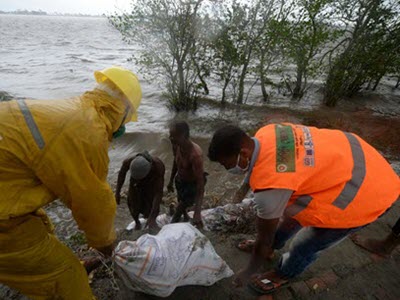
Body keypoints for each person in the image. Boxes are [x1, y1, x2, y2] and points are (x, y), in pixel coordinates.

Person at [0, 66, 142, 299]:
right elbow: (92, 204)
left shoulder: (74, 108)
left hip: (7, 186)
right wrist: (106, 246)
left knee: (45, 227)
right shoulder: (90, 132)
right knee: (69, 276)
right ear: (123, 110)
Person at [208, 123, 399, 294]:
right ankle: (273, 247)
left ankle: (284, 274)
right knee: (291, 215)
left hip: (367, 195)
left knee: (305, 244)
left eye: (227, 164)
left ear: (243, 154)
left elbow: (263, 237)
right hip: (361, 158)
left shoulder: (270, 189)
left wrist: (248, 270)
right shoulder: (269, 131)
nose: (227, 170)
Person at [167, 121, 206, 228]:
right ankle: (184, 217)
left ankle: (172, 224)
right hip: (180, 179)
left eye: (173, 136)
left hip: (192, 183)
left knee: (182, 205)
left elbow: (200, 183)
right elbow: (176, 162)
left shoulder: (195, 155)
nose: (170, 138)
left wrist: (197, 212)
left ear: (183, 136)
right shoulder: (176, 145)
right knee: (180, 200)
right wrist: (170, 181)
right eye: (170, 135)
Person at [115, 151, 165, 234]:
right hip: (134, 183)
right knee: (132, 204)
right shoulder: (128, 161)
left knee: (150, 203)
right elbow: (121, 175)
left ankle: (151, 220)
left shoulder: (158, 166)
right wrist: (117, 192)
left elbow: (158, 193)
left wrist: (152, 217)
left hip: (150, 184)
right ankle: (137, 222)